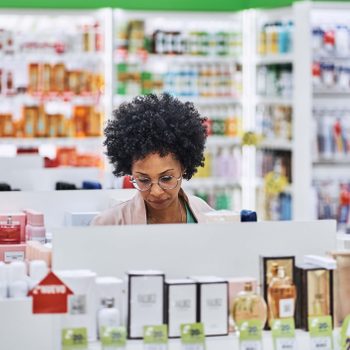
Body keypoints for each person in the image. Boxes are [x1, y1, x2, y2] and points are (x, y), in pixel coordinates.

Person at [91, 93, 213, 225]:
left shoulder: (204, 213)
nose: (156, 192)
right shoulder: (108, 224)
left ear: (183, 167)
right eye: (144, 180)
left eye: (166, 178)